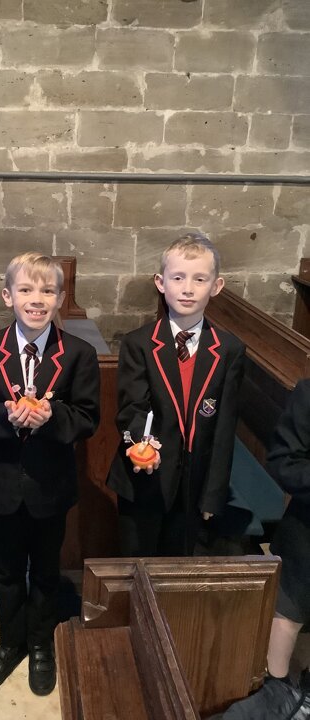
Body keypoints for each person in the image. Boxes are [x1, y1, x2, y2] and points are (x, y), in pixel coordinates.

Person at [0, 251, 100, 696]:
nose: (36, 299)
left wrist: (52, 417)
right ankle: (11, 642)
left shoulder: (77, 353)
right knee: (6, 571)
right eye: (25, 289)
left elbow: (88, 417)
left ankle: (40, 644)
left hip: (49, 484)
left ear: (60, 298)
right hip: (1, 481)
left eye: (47, 291)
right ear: (8, 296)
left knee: (44, 570)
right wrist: (6, 417)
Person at [107, 233, 245, 556]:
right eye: (178, 277)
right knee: (136, 564)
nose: (187, 288)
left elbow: (225, 428)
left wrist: (213, 494)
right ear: (161, 282)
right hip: (144, 477)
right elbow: (131, 408)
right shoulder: (139, 343)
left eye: (200, 279)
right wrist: (140, 445)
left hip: (193, 486)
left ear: (216, 286)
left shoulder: (229, 350)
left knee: (177, 568)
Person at [220, 380, 310, 719]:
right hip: (306, 537)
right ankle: (278, 693)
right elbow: (284, 462)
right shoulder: (308, 394)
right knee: (287, 615)